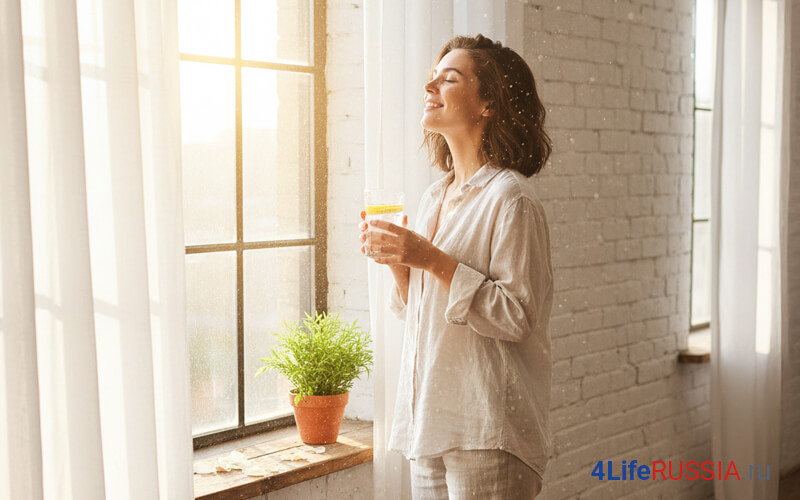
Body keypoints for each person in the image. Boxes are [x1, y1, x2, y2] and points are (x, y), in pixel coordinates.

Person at [359, 34, 554, 499]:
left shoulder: (512, 199)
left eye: (449, 78)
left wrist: (429, 257)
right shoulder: (433, 197)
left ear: (489, 103)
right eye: (433, 76)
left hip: (487, 428)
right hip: (429, 421)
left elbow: (517, 317)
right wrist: (399, 263)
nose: (430, 86)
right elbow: (423, 312)